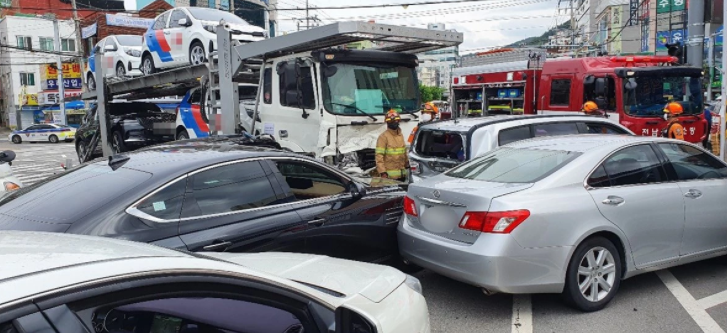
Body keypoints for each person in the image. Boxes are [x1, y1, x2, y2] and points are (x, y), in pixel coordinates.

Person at [376, 110, 409, 181]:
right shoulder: (383, 137)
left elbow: (404, 152)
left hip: (402, 174)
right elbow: (379, 156)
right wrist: (382, 172)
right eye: (391, 121)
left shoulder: (400, 135)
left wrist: (407, 164)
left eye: (396, 120)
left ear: (399, 121)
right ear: (387, 123)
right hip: (389, 176)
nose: (394, 122)